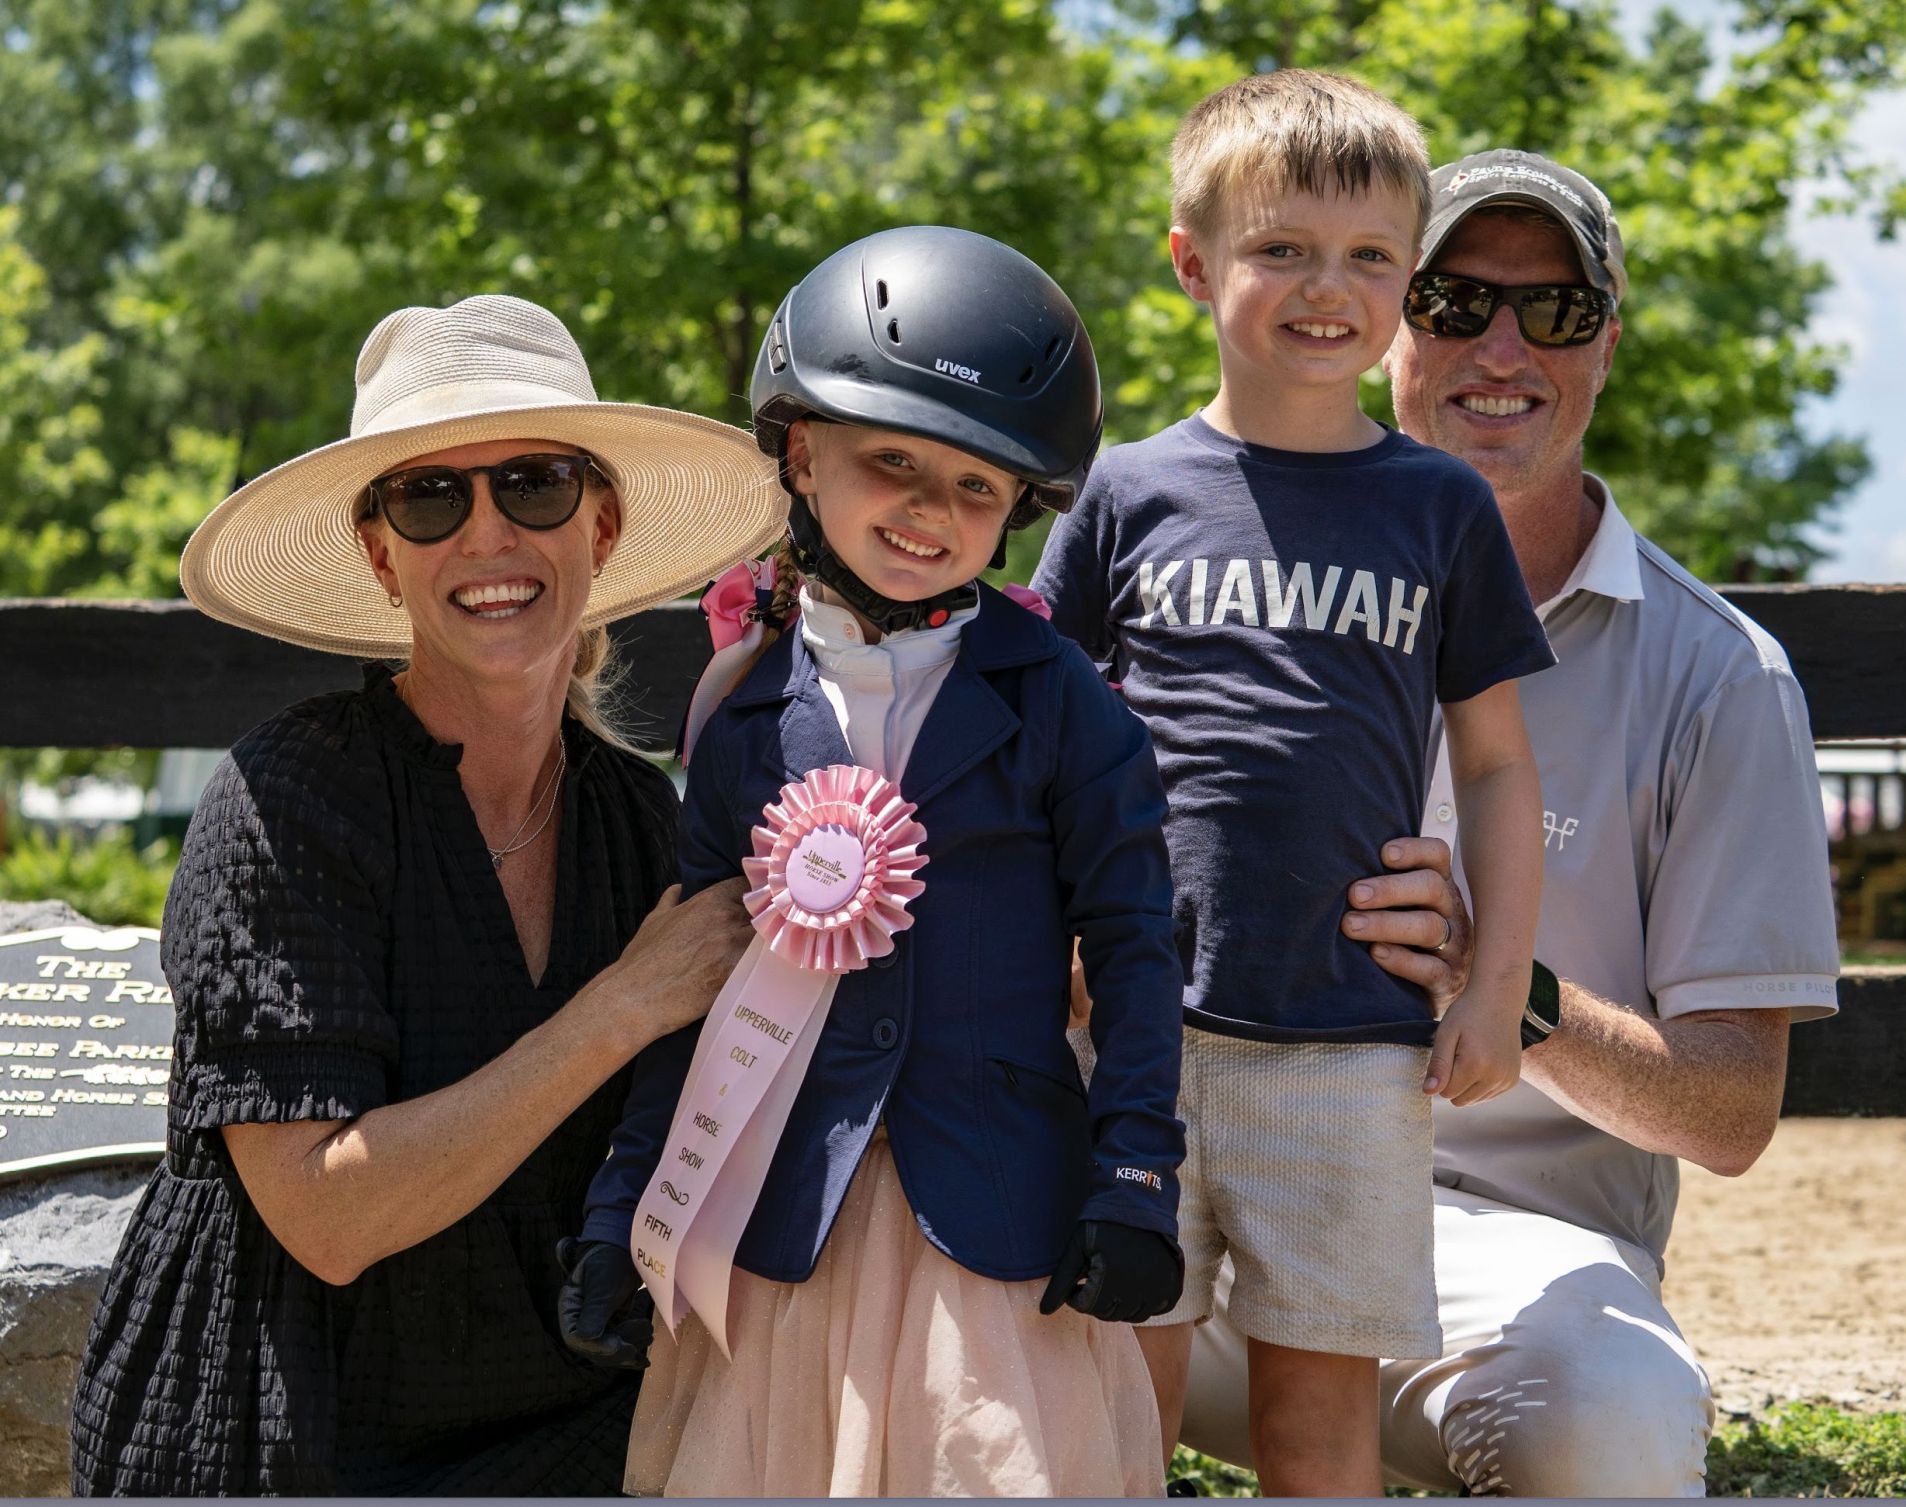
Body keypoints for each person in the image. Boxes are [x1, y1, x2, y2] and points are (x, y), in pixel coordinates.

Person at [1179, 150, 1843, 1496]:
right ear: (1385, 324)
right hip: (1203, 1190)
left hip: (1495, 1254)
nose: (1501, 347)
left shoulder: (1721, 675)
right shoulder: (1208, 566)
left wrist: (1503, 981)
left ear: (1606, 337)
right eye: (1452, 298)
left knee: (1614, 1421)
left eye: (1553, 310)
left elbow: (1729, 1110)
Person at [68, 294, 787, 1494]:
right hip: (280, 1439)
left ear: (601, 526)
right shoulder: (289, 798)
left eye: (535, 484)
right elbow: (327, 1217)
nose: (488, 533)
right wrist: (619, 1007)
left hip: (556, 1434)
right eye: (430, 496)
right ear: (378, 548)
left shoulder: (643, 823)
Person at [559, 226, 1188, 1497]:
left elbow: (1133, 950)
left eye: (973, 486)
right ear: (801, 451)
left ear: (1021, 508)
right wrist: (620, 1204)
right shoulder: (740, 718)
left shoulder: (1067, 705)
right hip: (784, 1224)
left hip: (997, 1236)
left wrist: (1135, 1179)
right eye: (889, 462)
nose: (926, 511)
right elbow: (699, 984)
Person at [1032, 72, 1556, 1496]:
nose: (1330, 288)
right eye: (1283, 249)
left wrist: (1496, 977)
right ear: (1195, 262)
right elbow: (1030, 735)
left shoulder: (1439, 505)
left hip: (1351, 1051)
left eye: (1372, 257)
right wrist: (1049, 934)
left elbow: (1499, 765)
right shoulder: (1123, 493)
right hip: (1137, 1036)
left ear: (1408, 280)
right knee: (1108, 1413)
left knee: (1320, 1437)